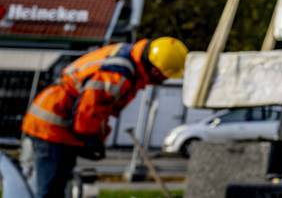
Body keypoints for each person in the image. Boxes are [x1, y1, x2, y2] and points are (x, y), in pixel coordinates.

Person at [21, 36, 188, 197]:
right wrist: (92, 139)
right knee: (50, 190)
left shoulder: (127, 58)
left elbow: (98, 109)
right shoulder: (119, 73)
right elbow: (90, 108)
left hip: (58, 124)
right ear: (155, 70)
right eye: (165, 76)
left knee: (57, 186)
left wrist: (97, 136)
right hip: (52, 126)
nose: (163, 80)